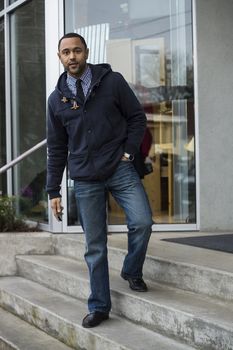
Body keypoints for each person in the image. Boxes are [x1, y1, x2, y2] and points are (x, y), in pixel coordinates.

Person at [46, 32, 153, 328]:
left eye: (77, 51)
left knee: (142, 222)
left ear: (86, 52)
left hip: (120, 168)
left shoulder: (112, 82)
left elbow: (137, 118)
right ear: (60, 57)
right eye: (66, 52)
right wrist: (53, 189)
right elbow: (56, 148)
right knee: (95, 245)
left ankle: (132, 270)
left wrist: (129, 153)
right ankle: (100, 305)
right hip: (85, 178)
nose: (72, 57)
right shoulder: (57, 100)